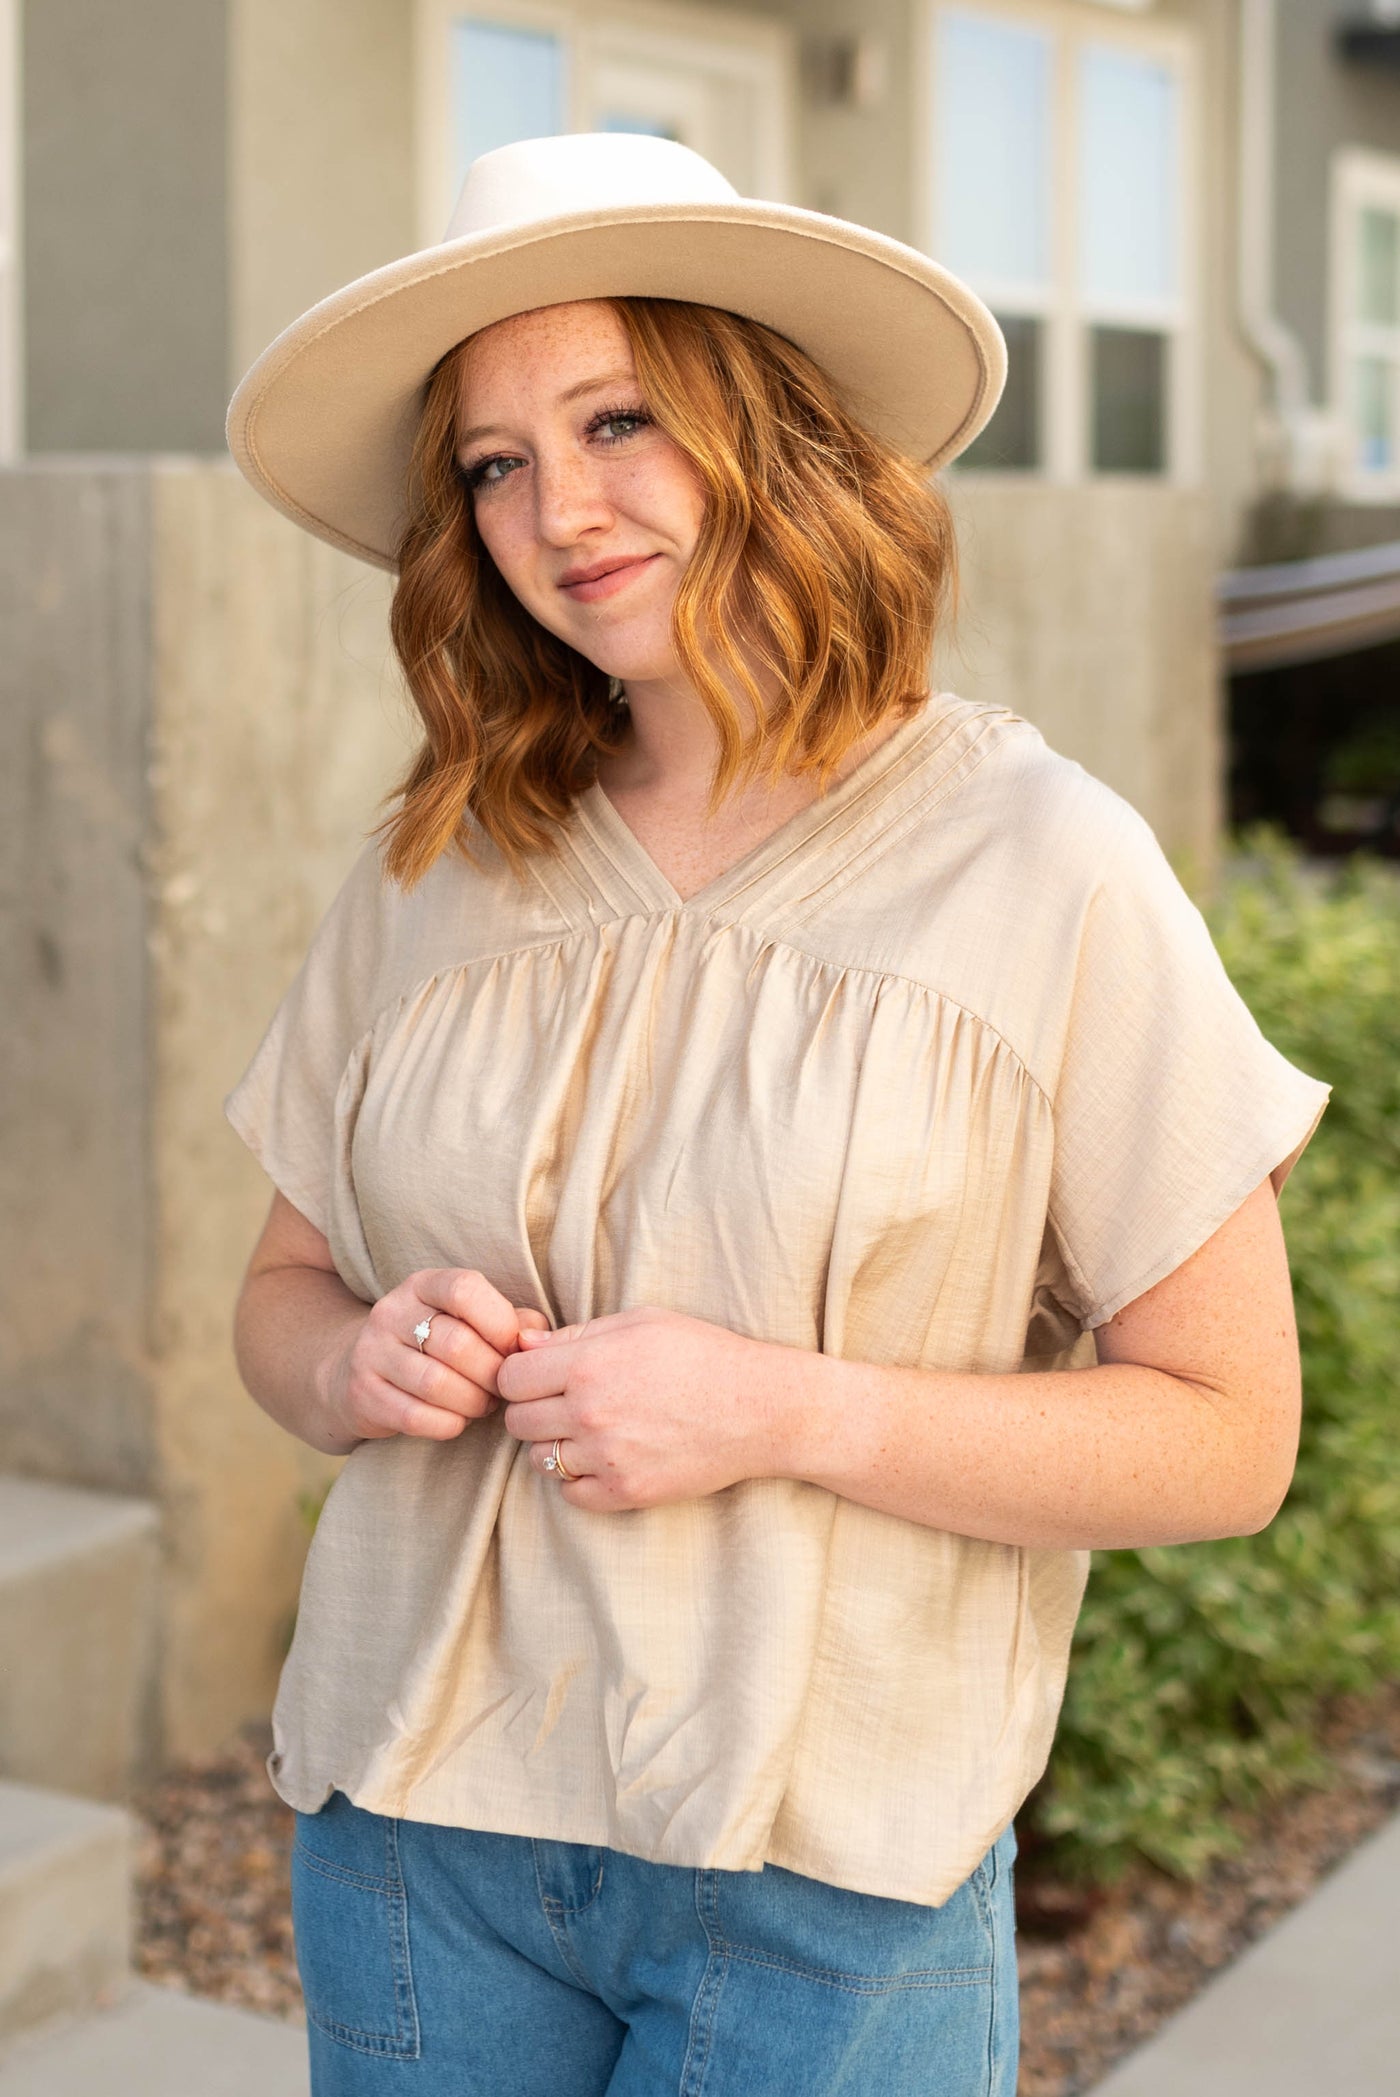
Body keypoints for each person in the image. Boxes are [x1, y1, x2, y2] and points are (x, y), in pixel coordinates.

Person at [223, 134, 1329, 2097]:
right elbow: (282, 1298)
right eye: (493, 461)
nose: (558, 508)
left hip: (825, 1888)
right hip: (412, 1837)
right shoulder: (439, 866)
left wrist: (786, 1407)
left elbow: (1227, 1436)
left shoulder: (1040, 864)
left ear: (769, 424)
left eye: (618, 415)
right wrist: (358, 1358)